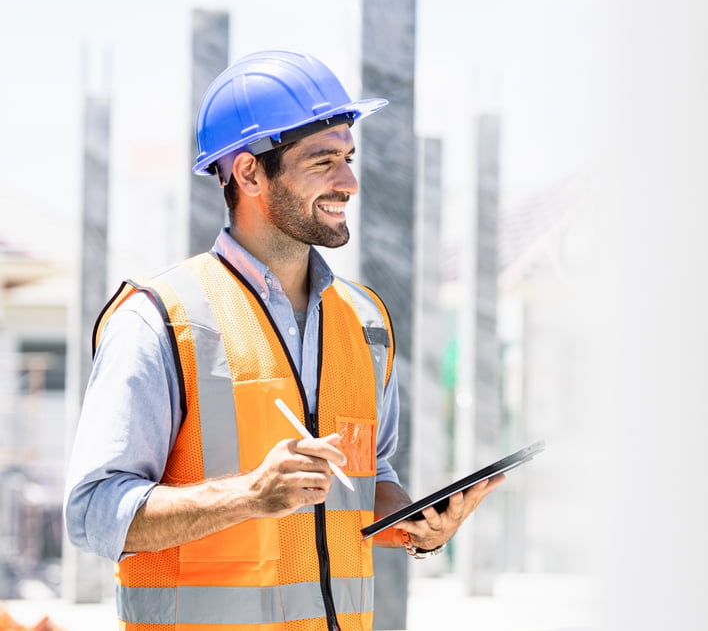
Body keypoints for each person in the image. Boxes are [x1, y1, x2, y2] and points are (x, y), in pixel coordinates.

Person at [63, 49, 504, 631]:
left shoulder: (365, 320)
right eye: (323, 161)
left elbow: (364, 483)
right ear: (249, 173)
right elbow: (93, 513)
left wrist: (412, 521)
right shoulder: (160, 320)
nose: (348, 181)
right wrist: (247, 495)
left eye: (349, 157)